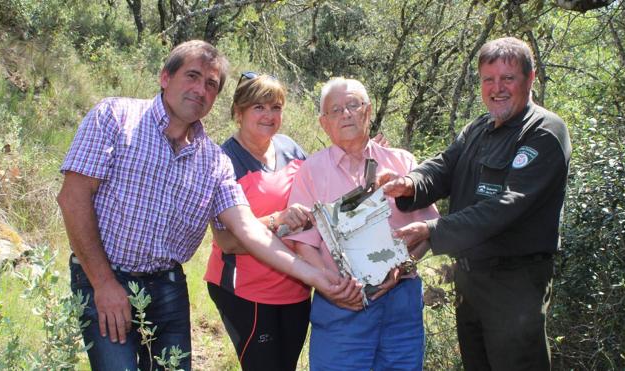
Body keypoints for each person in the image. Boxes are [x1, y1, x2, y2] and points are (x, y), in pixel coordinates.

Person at [56, 40, 351, 371]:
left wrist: (318, 278)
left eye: (211, 84)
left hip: (167, 285)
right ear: (165, 77)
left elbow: (249, 230)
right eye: (192, 76)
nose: (200, 89)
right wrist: (104, 283)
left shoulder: (213, 161)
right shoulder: (113, 117)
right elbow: (72, 198)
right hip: (106, 275)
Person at [381, 37, 572, 370]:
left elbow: (507, 205)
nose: (497, 88)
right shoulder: (478, 128)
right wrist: (409, 183)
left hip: (514, 285)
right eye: (488, 79)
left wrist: (431, 230)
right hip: (470, 281)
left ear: (530, 78)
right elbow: (443, 166)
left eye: (507, 78)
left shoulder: (543, 132)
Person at [285, 77, 439, 370]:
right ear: (323, 123)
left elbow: (430, 230)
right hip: (341, 303)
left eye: (353, 105)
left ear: (368, 111)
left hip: (401, 302)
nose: (345, 114)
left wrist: (403, 267)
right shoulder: (311, 171)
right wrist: (333, 286)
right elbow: (303, 243)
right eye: (335, 110)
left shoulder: (402, 163)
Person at [203, 73, 312, 370]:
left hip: (297, 285)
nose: (269, 115)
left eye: (275, 107)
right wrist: (277, 220)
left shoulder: (291, 148)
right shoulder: (223, 161)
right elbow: (226, 241)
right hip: (246, 291)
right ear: (239, 112)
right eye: (258, 107)